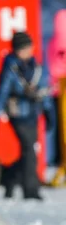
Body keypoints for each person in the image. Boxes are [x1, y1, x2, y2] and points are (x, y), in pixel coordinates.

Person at [0, 31, 54, 201]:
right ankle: (30, 190)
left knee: (29, 151)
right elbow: (2, 93)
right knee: (29, 150)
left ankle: (9, 175)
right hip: (17, 113)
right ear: (15, 50)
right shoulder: (10, 67)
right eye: (22, 48)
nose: (26, 51)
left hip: (33, 113)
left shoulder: (37, 67)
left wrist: (48, 112)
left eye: (28, 47)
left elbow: (43, 92)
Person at [46, 9, 66, 166]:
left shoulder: (53, 42)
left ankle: (59, 157)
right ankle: (60, 157)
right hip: (60, 86)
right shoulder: (58, 43)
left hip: (57, 86)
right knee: (61, 125)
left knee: (60, 125)